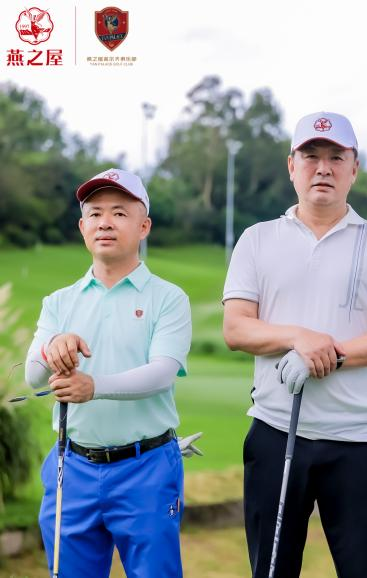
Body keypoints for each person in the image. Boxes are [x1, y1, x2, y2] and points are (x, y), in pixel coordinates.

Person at [222, 111, 367, 578]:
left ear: (354, 168)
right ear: (292, 165)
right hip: (275, 431)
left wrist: (328, 356)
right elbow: (237, 328)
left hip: (357, 439)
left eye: (335, 157)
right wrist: (298, 338)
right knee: (271, 570)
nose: (323, 168)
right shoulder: (257, 239)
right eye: (311, 156)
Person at [24, 168, 193, 577]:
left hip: (146, 467)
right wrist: (54, 345)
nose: (105, 222)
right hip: (72, 466)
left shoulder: (169, 298)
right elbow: (33, 375)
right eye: (95, 214)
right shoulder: (59, 302)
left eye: (119, 213)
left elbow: (162, 373)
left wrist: (94, 386)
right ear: (82, 227)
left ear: (144, 227)